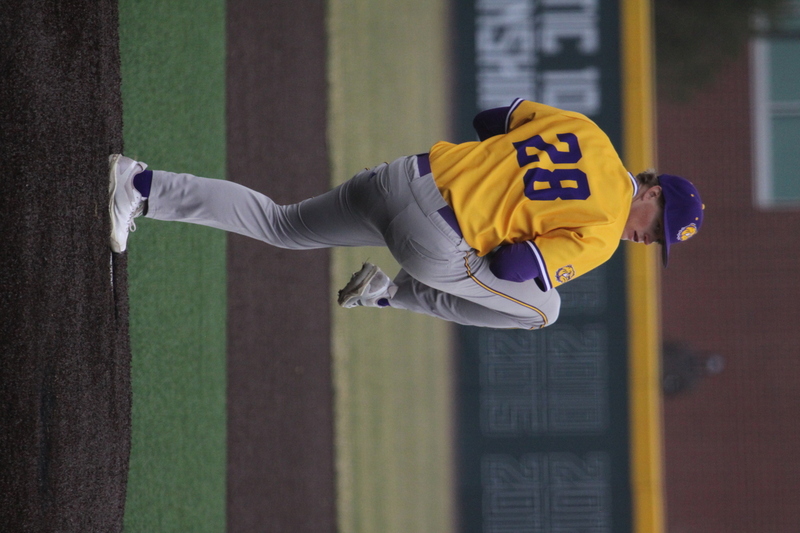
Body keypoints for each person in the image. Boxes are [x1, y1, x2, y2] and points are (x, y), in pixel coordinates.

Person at [109, 98, 704, 329]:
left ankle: (138, 184)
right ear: (652, 194)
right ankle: (387, 296)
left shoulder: (589, 132)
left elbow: (489, 119)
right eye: (656, 229)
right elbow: (514, 266)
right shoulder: (603, 233)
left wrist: (500, 178)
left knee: (283, 224)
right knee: (544, 311)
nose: (646, 239)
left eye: (657, 243)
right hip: (433, 243)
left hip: (406, 177)